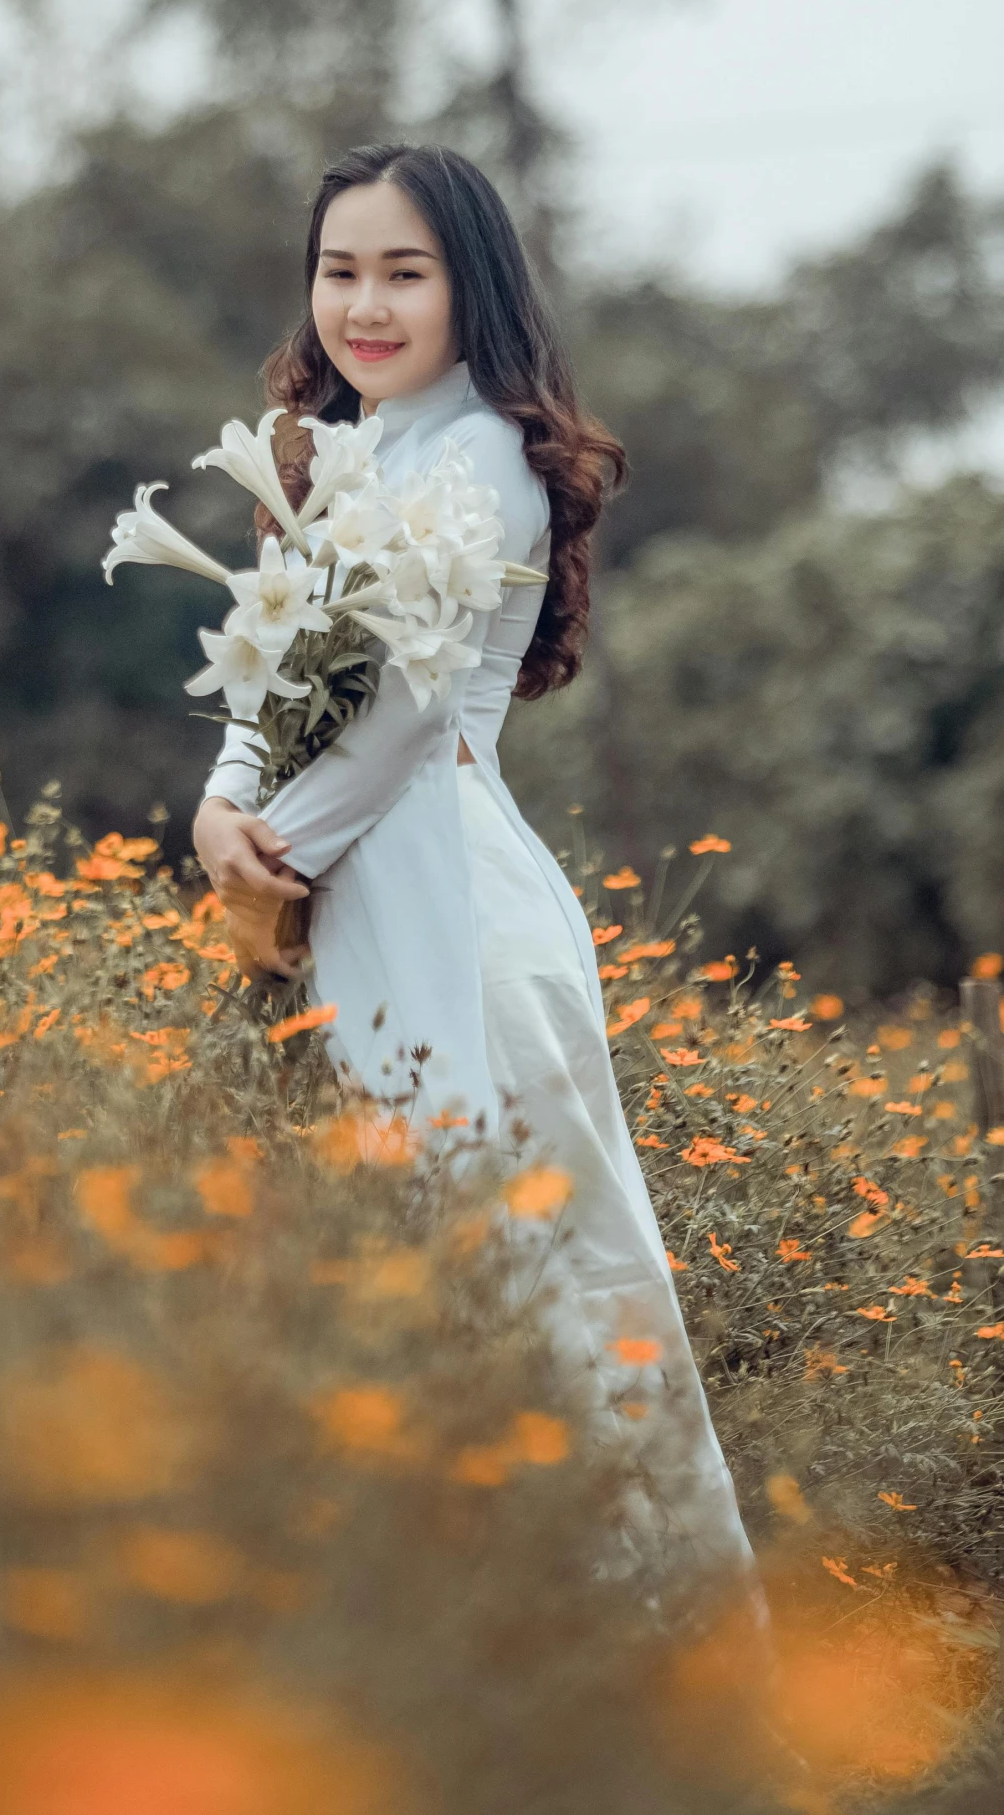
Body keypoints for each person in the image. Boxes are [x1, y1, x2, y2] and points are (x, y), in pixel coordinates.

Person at [192, 141, 755, 1586]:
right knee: (401, 1302)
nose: (363, 305)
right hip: (346, 898)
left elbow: (397, 717)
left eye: (403, 272)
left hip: (450, 910)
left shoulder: (483, 458)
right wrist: (218, 810)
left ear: (470, 288)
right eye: (339, 271)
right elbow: (270, 687)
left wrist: (263, 876)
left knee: (547, 1301)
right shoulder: (337, 452)